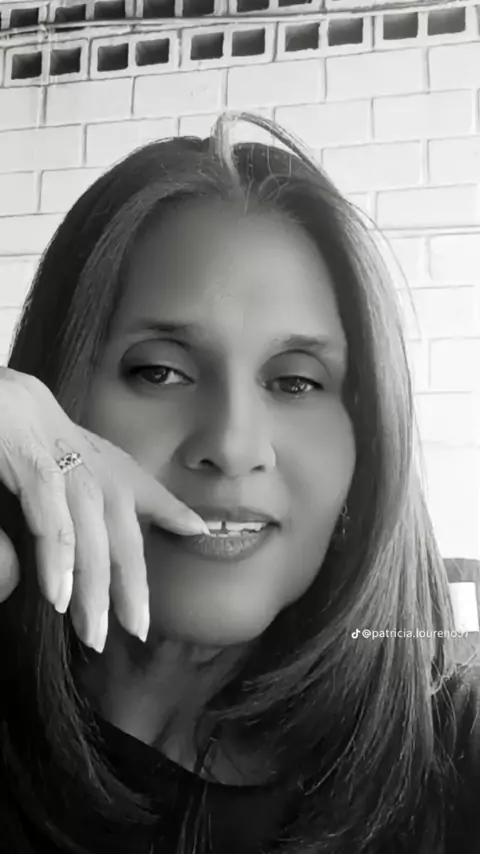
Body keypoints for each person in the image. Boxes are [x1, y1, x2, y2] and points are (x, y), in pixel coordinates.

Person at [0, 111, 478, 854]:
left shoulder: (455, 761)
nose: (231, 445)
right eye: (159, 372)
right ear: (57, 399)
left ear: (367, 439)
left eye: (296, 382)